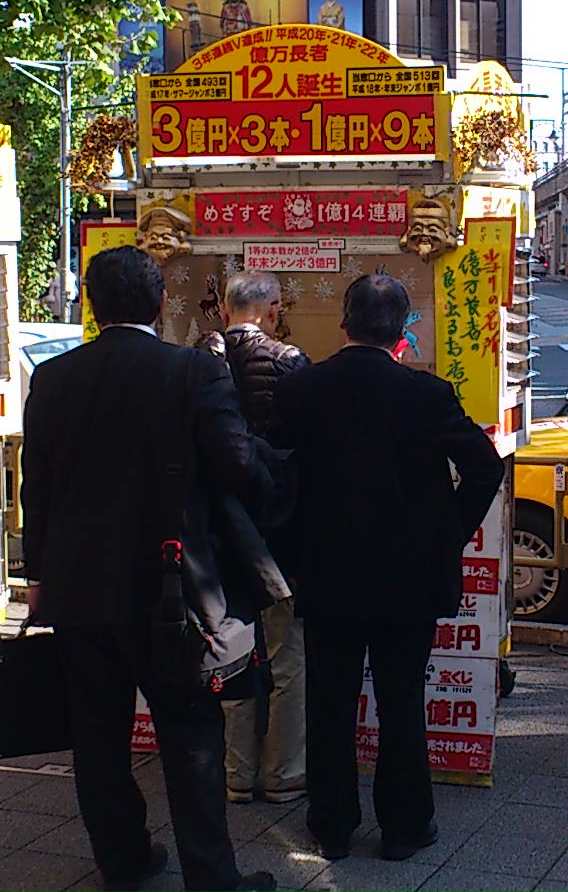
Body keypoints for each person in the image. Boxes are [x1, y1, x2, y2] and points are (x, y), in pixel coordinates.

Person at [21, 246, 275, 892]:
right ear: (160, 302)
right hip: (171, 587)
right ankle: (212, 878)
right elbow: (236, 465)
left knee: (97, 736)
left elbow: (36, 487)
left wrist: (36, 578)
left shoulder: (52, 379)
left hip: (77, 587)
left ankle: (123, 861)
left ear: (91, 306)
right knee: (190, 734)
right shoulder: (192, 371)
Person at [271, 275, 503, 863]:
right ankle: (404, 826)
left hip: (327, 572)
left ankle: (331, 826)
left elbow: (276, 478)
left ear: (344, 322)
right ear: (402, 331)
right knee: (402, 700)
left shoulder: (302, 389)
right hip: (408, 575)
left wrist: (292, 548)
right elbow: (485, 467)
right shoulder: (427, 394)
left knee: (330, 701)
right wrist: (448, 533)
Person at [200, 271, 310, 805]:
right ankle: (286, 772)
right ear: (273, 309)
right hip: (280, 534)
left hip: (221, 534)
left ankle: (236, 773)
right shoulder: (292, 363)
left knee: (233, 649)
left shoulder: (200, 365)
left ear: (225, 311)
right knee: (288, 656)